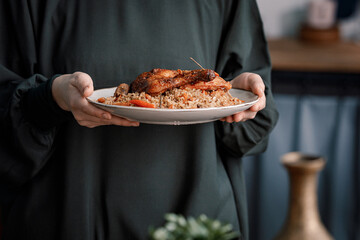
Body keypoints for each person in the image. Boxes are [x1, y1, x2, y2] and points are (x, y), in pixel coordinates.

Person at [0, 0, 278, 239]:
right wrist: (50, 99)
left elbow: (255, 126)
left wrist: (237, 99)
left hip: (198, 219)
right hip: (67, 217)